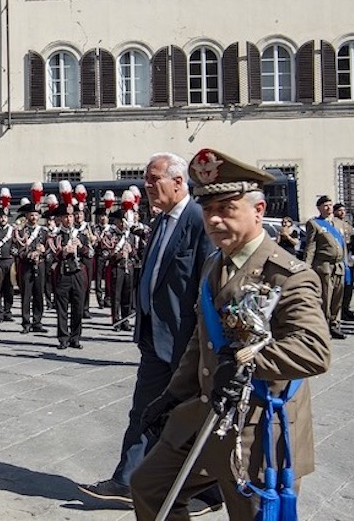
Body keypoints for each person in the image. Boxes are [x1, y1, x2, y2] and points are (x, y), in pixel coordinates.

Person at [130, 148, 331, 520]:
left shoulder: (287, 274)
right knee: (149, 487)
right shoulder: (214, 264)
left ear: (258, 211)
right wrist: (172, 394)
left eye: (226, 208)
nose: (215, 219)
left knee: (251, 514)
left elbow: (314, 350)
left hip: (258, 426)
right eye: (208, 210)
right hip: (205, 413)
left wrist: (245, 361)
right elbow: (200, 339)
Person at [79, 152, 220, 515]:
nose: (147, 185)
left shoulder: (197, 220)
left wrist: (202, 342)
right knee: (144, 410)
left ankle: (211, 489)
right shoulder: (160, 221)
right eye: (146, 179)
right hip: (154, 336)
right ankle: (127, 480)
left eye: (154, 178)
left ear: (179, 182)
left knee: (194, 415)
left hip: (185, 339)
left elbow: (207, 286)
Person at [304, 195, 348, 339]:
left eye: (330, 205)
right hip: (324, 266)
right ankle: (323, 326)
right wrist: (306, 267)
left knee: (337, 297)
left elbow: (343, 245)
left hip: (339, 265)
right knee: (326, 297)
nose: (329, 208)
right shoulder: (315, 224)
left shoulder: (338, 223)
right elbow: (310, 247)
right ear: (319, 208)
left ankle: (335, 324)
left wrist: (347, 265)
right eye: (325, 205)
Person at [49, 203, 91, 349]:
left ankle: (76, 337)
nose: (69, 219)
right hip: (63, 274)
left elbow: (91, 254)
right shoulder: (55, 236)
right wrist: (63, 253)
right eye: (66, 217)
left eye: (71, 216)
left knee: (78, 307)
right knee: (62, 308)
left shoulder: (81, 234)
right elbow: (49, 256)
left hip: (78, 274)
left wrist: (81, 247)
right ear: (60, 219)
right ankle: (63, 338)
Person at [101, 209, 138, 331]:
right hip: (116, 268)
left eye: (124, 221)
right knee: (116, 296)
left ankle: (125, 320)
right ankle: (116, 321)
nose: (122, 224)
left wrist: (131, 251)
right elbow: (105, 254)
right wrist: (118, 255)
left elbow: (136, 253)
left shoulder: (131, 235)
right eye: (120, 221)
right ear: (116, 222)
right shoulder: (110, 235)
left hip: (129, 268)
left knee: (127, 296)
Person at [16, 203, 49, 335]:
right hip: (26, 266)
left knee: (39, 294)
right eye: (31, 215)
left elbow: (51, 250)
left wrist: (43, 251)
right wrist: (29, 255)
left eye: (36, 215)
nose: (34, 217)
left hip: (40, 265)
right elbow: (17, 250)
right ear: (27, 215)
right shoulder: (21, 231)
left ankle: (37, 321)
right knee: (26, 295)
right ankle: (26, 322)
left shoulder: (44, 232)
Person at [333, 203, 354, 321]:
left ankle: (346, 308)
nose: (342, 213)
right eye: (339, 210)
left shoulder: (347, 225)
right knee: (341, 287)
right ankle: (339, 310)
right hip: (340, 258)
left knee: (349, 286)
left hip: (348, 257)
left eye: (344, 210)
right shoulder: (333, 223)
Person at [0, 207, 16, 322]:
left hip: (9, 261)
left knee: (9, 288)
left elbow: (16, 245)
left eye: (5, 217)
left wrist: (14, 251)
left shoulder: (12, 231)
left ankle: (8, 311)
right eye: (1, 217)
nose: (3, 219)